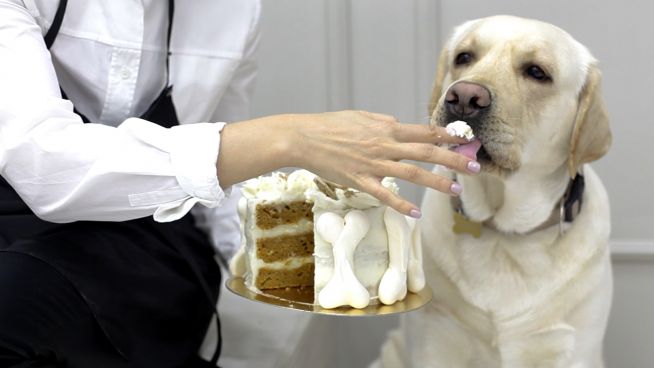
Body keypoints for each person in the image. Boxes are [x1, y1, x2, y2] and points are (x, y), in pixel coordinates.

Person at [0, 1, 479, 367]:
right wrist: (289, 137)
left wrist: (299, 263)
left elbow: (222, 181)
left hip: (149, 246)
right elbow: (43, 167)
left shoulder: (235, 11)